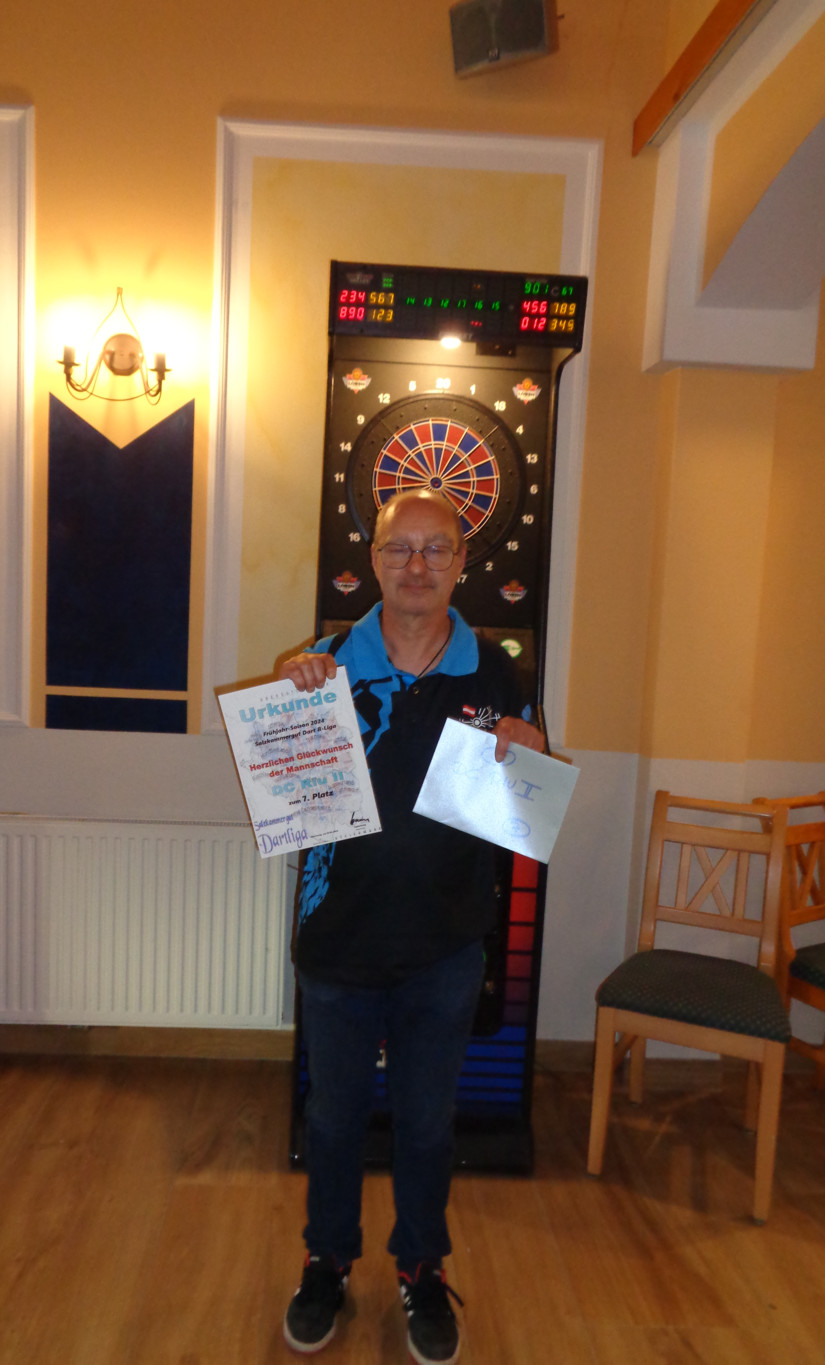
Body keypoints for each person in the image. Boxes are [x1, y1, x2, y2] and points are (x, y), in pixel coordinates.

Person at [278, 489, 544, 1364]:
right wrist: (287, 689)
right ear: (374, 558)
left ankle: (422, 1267)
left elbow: (524, 786)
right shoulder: (322, 662)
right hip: (338, 941)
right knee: (333, 1120)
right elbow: (284, 770)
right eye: (401, 548)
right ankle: (326, 1260)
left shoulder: (495, 669)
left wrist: (530, 747)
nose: (418, 566)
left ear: (462, 561)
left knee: (429, 1124)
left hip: (445, 946)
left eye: (437, 549)